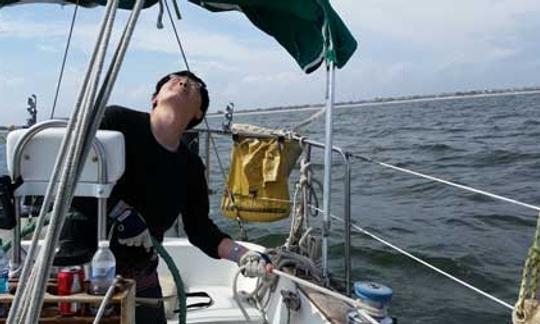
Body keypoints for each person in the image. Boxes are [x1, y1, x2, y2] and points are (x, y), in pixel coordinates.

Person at [55, 70, 272, 323]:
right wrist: (122, 213)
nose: (182, 83)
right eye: (173, 79)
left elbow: (200, 229)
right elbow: (69, 176)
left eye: (194, 85)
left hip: (138, 275)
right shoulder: (116, 121)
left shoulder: (190, 166)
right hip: (79, 265)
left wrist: (243, 254)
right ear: (155, 98)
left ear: (199, 113)